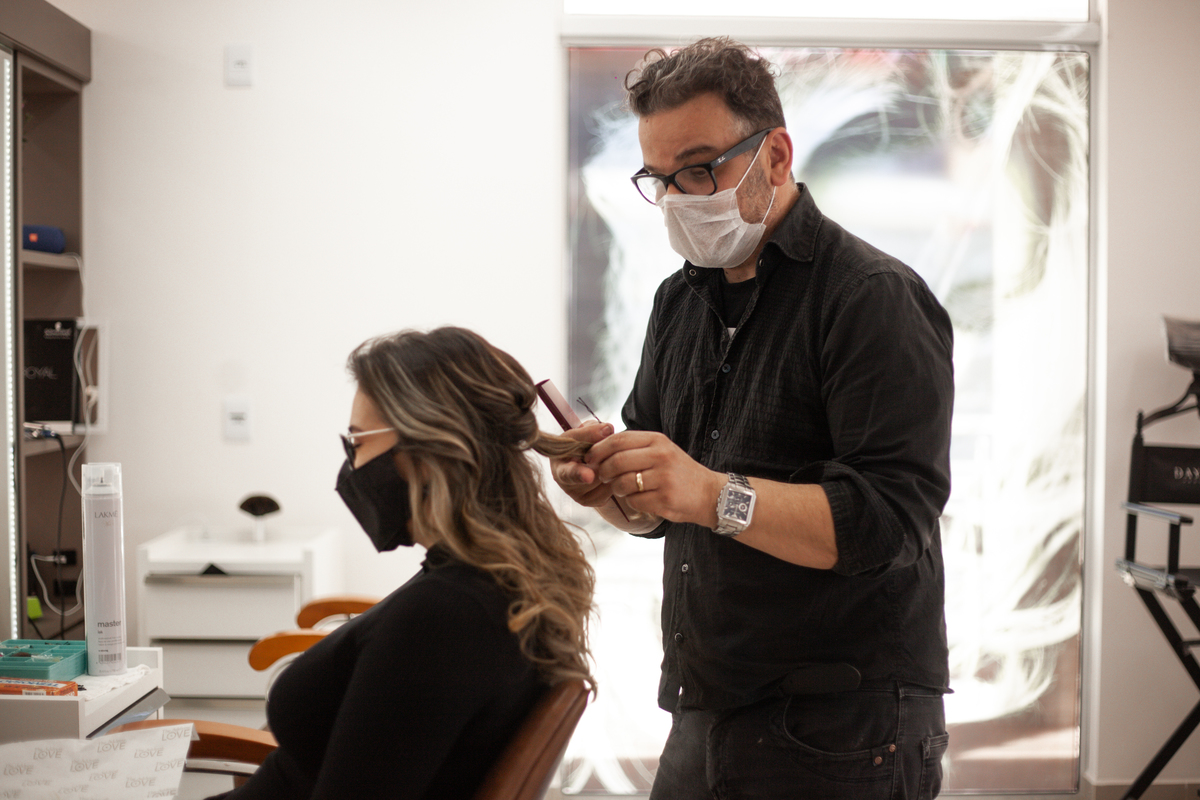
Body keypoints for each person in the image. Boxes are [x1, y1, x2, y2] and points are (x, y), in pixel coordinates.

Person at [552, 38, 955, 799]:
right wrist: (610, 491)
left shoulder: (870, 298)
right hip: (707, 699)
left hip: (844, 723)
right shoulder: (681, 301)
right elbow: (665, 506)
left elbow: (888, 522)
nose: (679, 198)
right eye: (659, 179)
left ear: (775, 155)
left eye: (700, 168)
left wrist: (711, 494)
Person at [213, 326, 596, 800]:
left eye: (358, 443)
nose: (352, 465)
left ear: (426, 450)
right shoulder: (489, 582)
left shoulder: (443, 618)